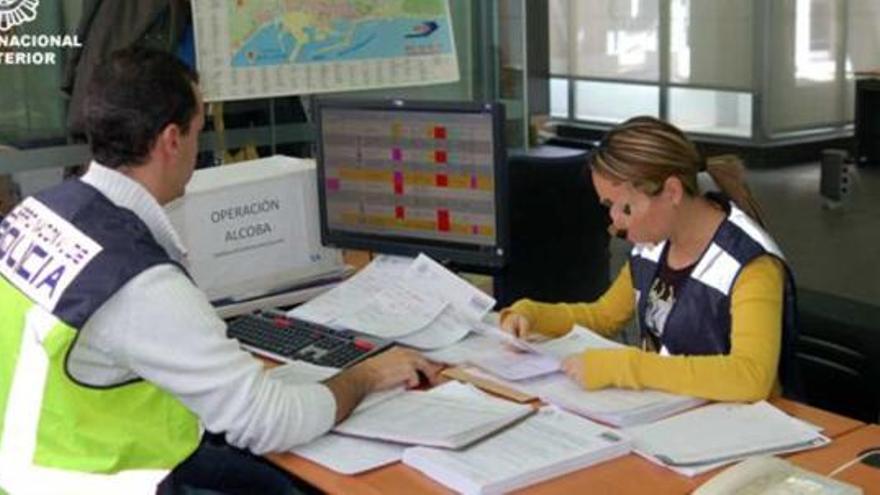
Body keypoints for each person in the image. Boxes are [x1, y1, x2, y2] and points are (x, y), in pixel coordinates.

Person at [0, 47, 441, 495]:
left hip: (40, 460)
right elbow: (270, 422)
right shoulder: (138, 282)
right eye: (199, 129)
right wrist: (367, 376)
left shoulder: (42, 212)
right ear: (172, 140)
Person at [500, 116, 799, 403]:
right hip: (675, 413)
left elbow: (750, 376)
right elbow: (604, 315)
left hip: (739, 428)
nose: (616, 222)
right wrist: (532, 313)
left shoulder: (751, 265)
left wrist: (626, 367)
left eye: (626, 209)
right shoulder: (653, 244)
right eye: (609, 206)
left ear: (671, 191)